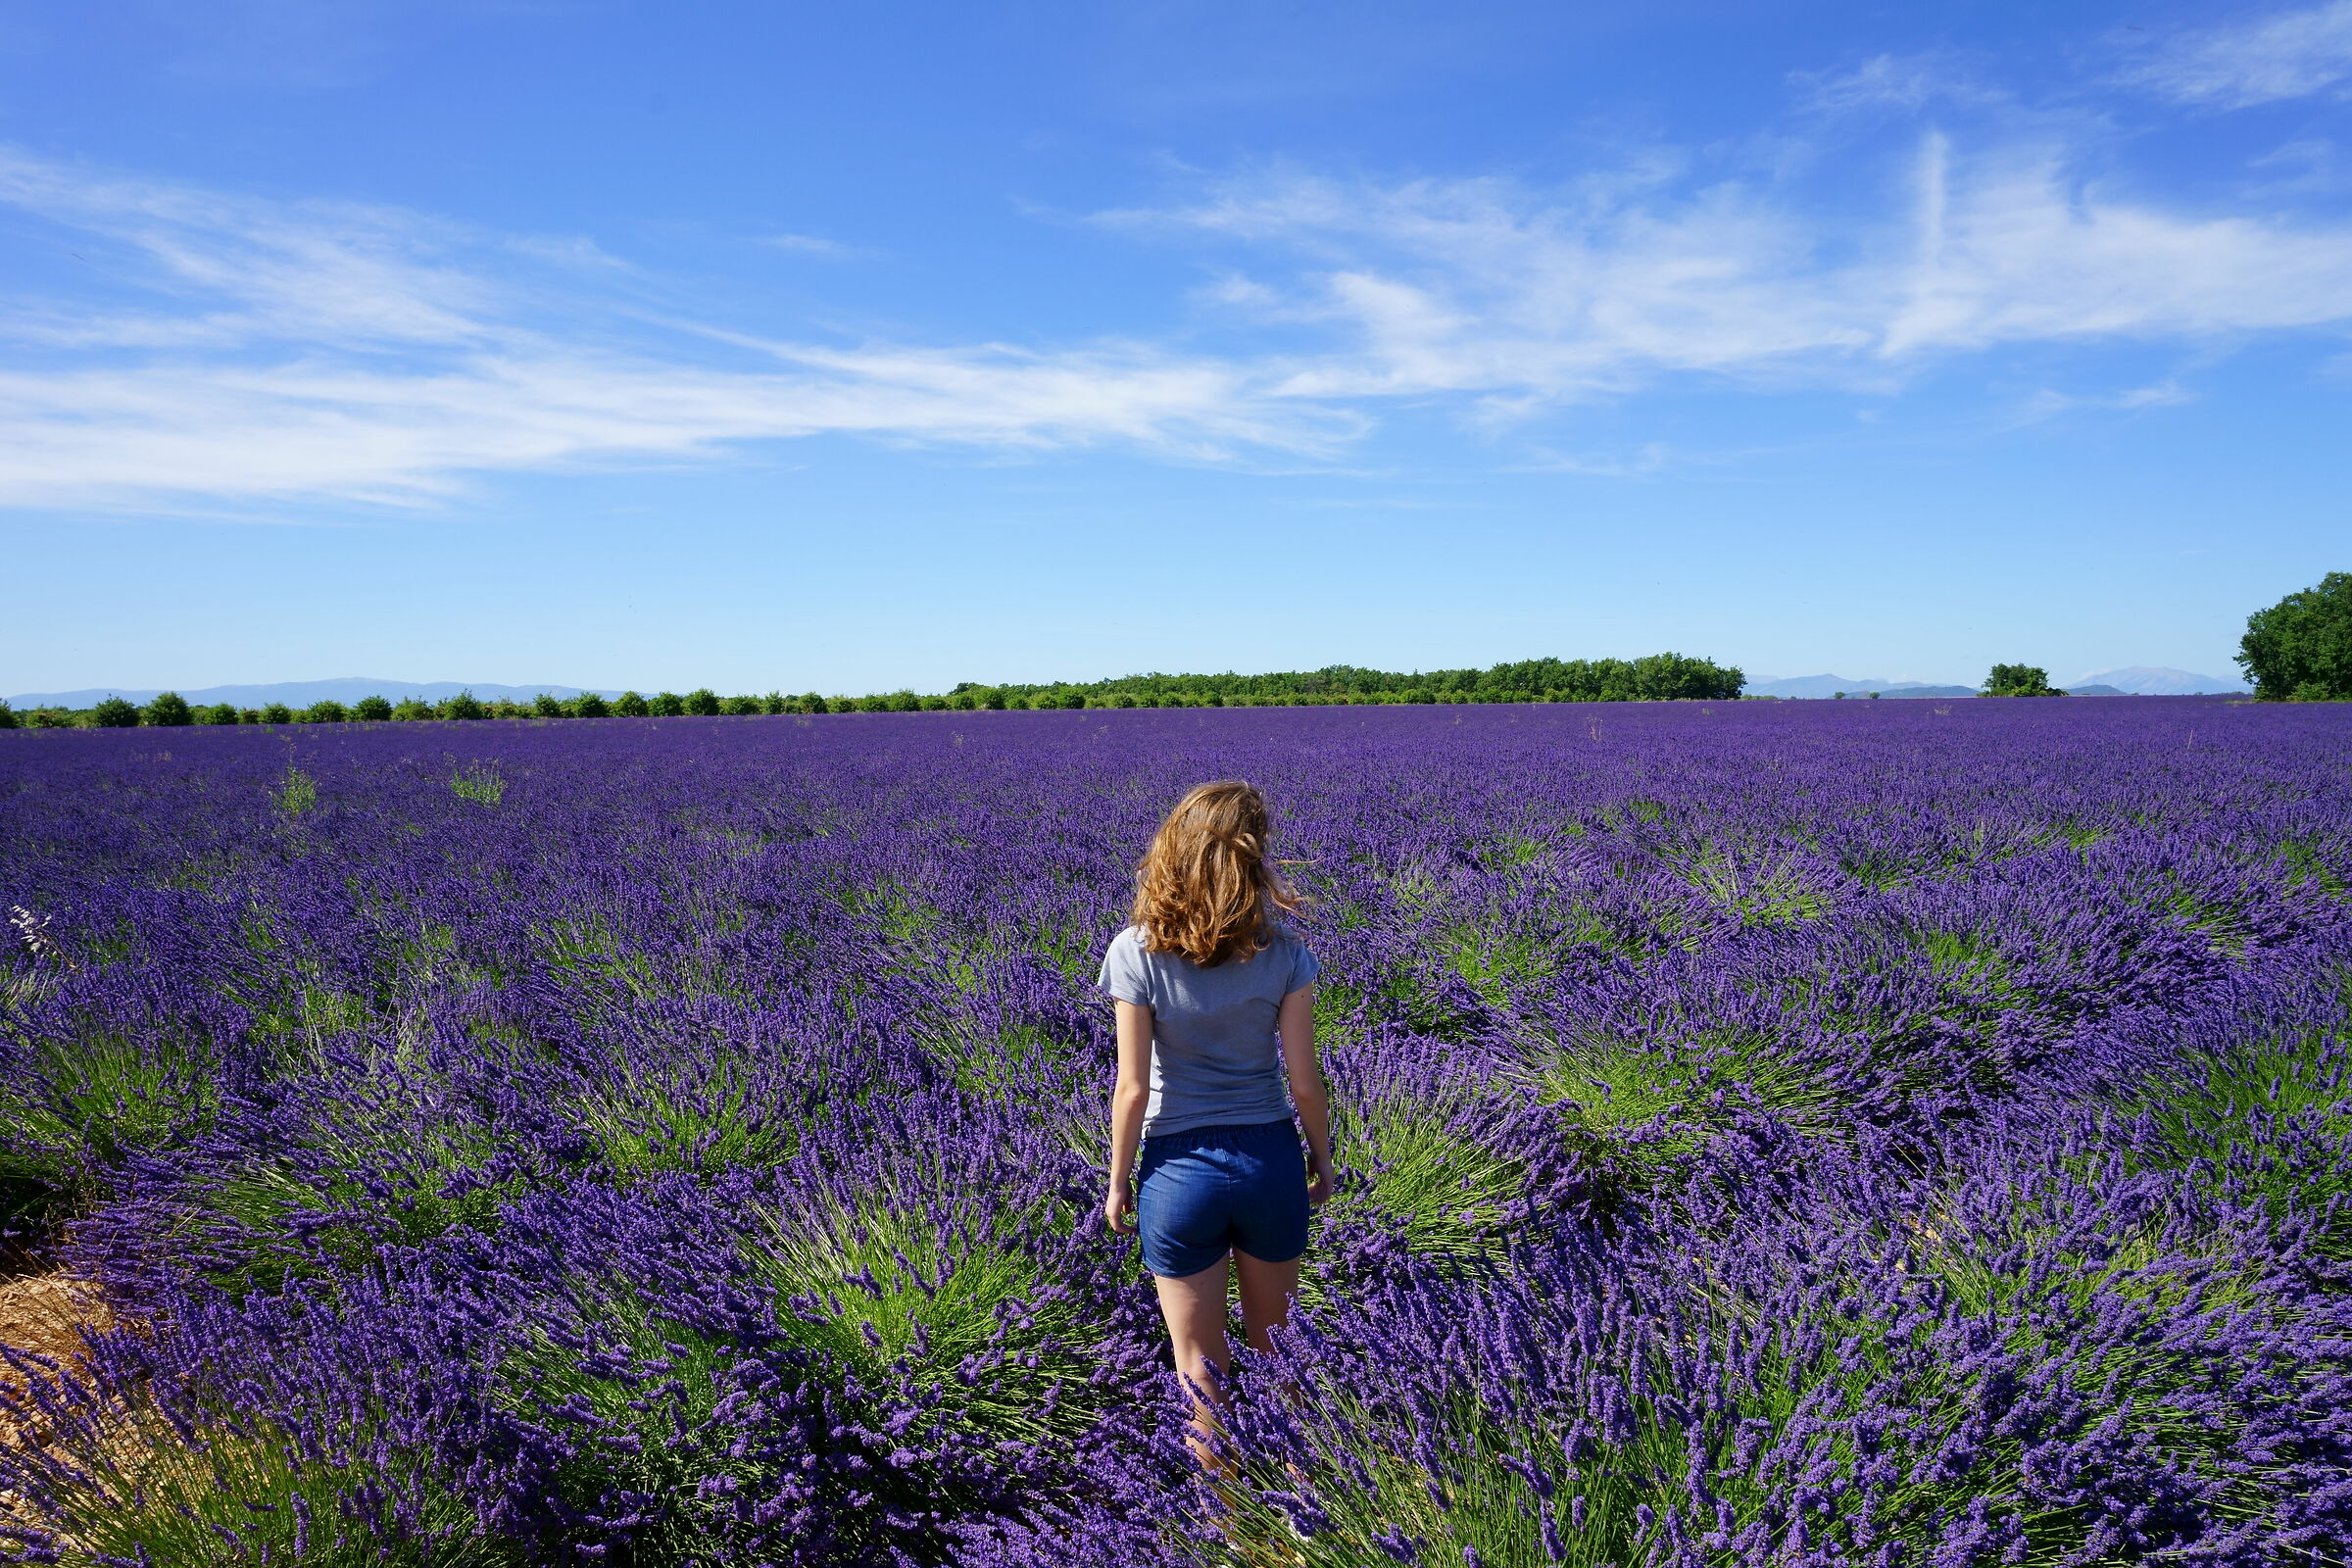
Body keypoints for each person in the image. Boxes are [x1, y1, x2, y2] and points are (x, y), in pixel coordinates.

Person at [1097, 779, 1335, 1462]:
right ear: (1255, 859)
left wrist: (1119, 1184)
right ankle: (1302, 1517)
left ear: (1173, 850)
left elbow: (1132, 1090)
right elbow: (1304, 1083)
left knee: (1199, 1371)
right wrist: (1320, 1160)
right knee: (1279, 1356)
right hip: (1268, 1161)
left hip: (1177, 1173)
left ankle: (1227, 1533)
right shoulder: (1284, 955)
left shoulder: (1135, 952)